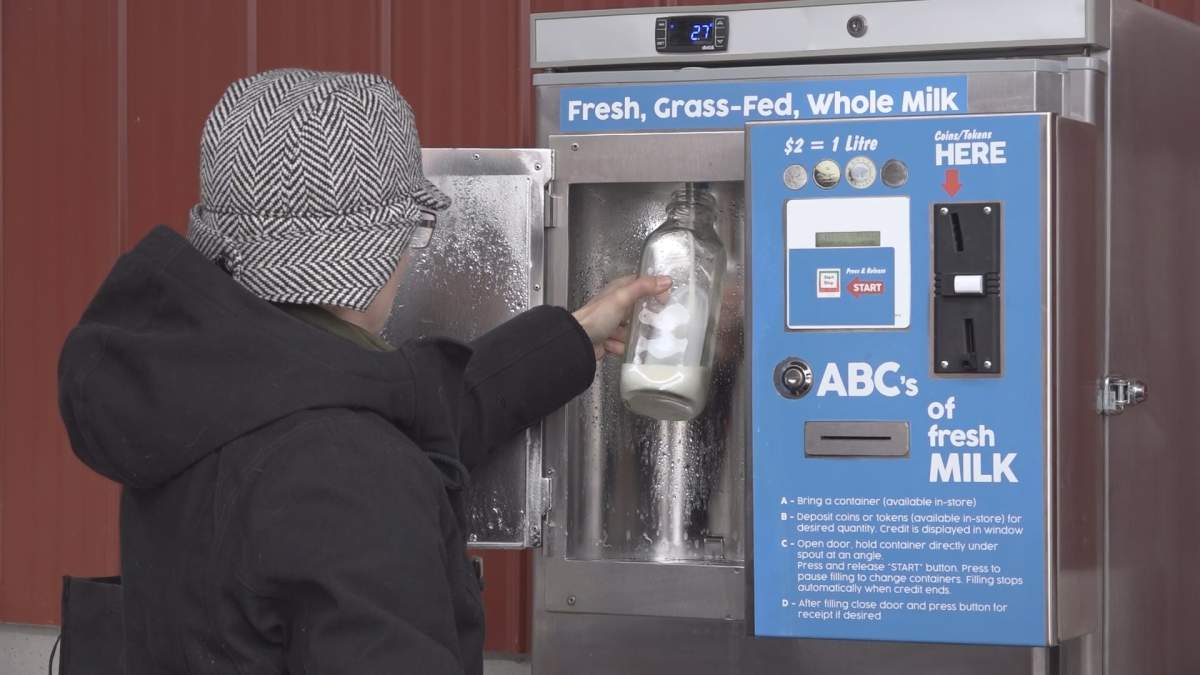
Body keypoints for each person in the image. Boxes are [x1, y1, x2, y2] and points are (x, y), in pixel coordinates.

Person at [58, 69, 667, 675]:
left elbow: (413, 410)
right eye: (413, 230)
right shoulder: (345, 471)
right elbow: (363, 452)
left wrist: (573, 334)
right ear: (376, 250)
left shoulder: (195, 389)